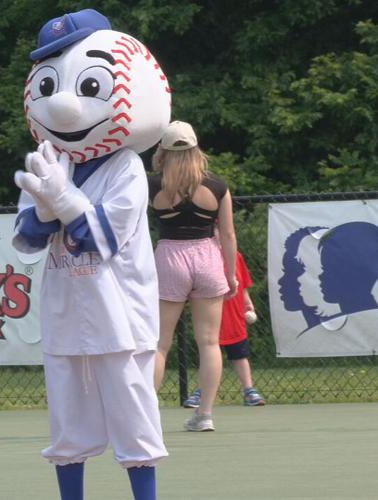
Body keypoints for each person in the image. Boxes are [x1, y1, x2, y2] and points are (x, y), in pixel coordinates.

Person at [13, 9, 171, 500]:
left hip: (121, 317)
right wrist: (45, 203)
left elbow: (97, 236)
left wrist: (60, 200)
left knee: (135, 427)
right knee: (67, 431)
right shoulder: (49, 160)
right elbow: (28, 238)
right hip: (65, 316)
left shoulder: (126, 166)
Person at [149, 120, 237, 432]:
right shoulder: (217, 186)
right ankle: (205, 414)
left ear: (163, 150)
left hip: (170, 256)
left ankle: (145, 414)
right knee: (209, 342)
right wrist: (231, 273)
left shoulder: (153, 186)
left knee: (160, 343)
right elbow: (226, 234)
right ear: (196, 148)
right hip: (207, 256)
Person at [183, 250, 266, 408]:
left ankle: (249, 391)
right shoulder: (203, 258)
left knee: (240, 354)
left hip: (234, 315)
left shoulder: (236, 256)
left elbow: (242, 283)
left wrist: (247, 302)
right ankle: (202, 392)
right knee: (208, 353)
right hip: (210, 313)